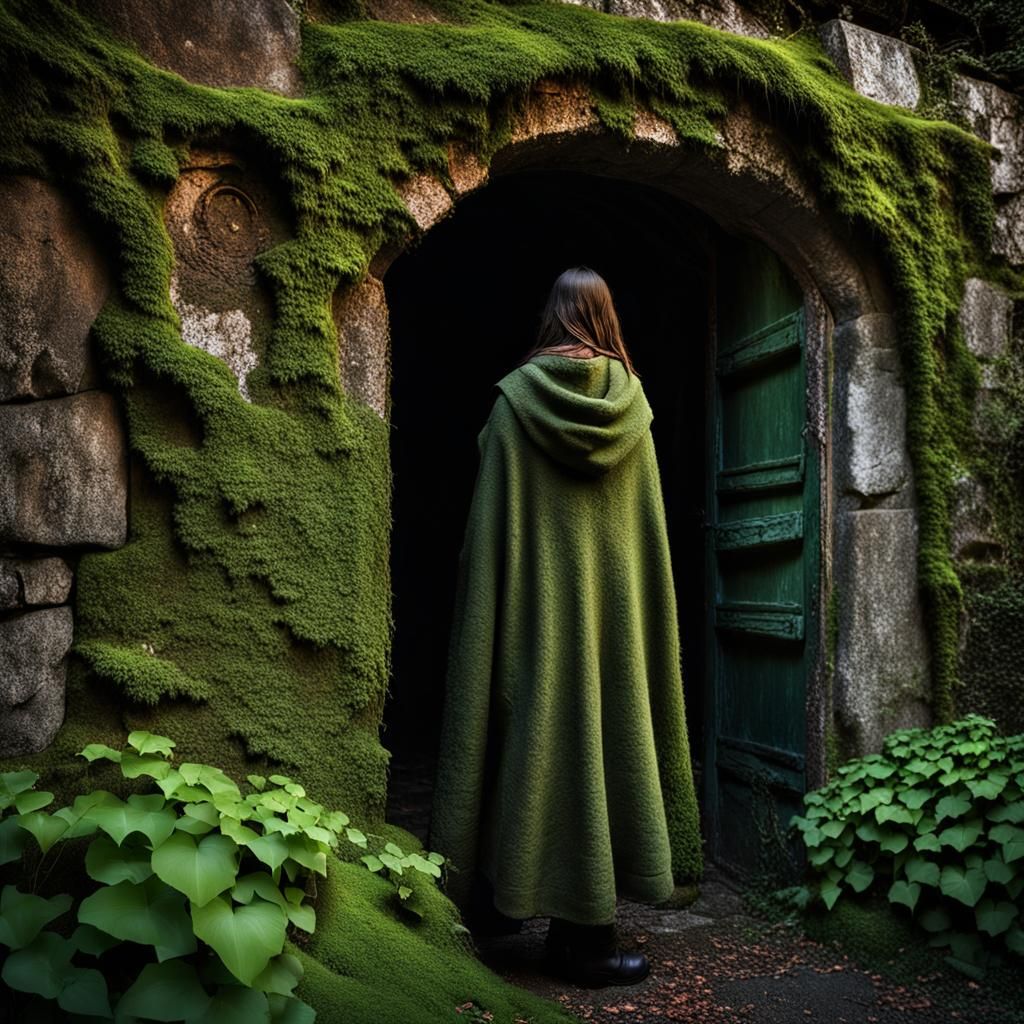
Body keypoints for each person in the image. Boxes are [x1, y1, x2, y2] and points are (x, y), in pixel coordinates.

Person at [428, 266, 702, 988]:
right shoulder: (634, 407)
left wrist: (496, 610)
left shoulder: (513, 406)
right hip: (611, 636)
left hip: (527, 624)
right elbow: (644, 543)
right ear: (606, 318)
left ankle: (497, 906)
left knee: (516, 742)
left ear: (551, 317)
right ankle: (585, 941)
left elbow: (486, 537)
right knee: (602, 751)